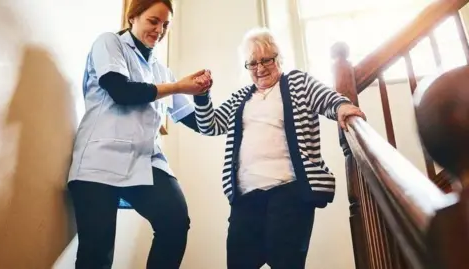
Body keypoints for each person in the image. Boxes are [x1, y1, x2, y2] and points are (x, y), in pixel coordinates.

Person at [192, 28, 366, 269]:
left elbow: (327, 99)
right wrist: (202, 96)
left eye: (266, 60)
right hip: (246, 196)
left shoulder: (297, 82)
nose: (260, 68)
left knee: (286, 263)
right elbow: (210, 125)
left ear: (279, 58)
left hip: (289, 191)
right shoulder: (242, 96)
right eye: (252, 63)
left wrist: (342, 108)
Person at [66, 0, 211, 268]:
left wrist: (202, 94)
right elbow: (121, 91)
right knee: (97, 253)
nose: (159, 30)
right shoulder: (109, 43)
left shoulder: (160, 69)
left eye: (165, 24)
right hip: (99, 160)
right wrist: (179, 86)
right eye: (153, 21)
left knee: (175, 222)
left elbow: (199, 122)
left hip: (145, 160)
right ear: (133, 17)